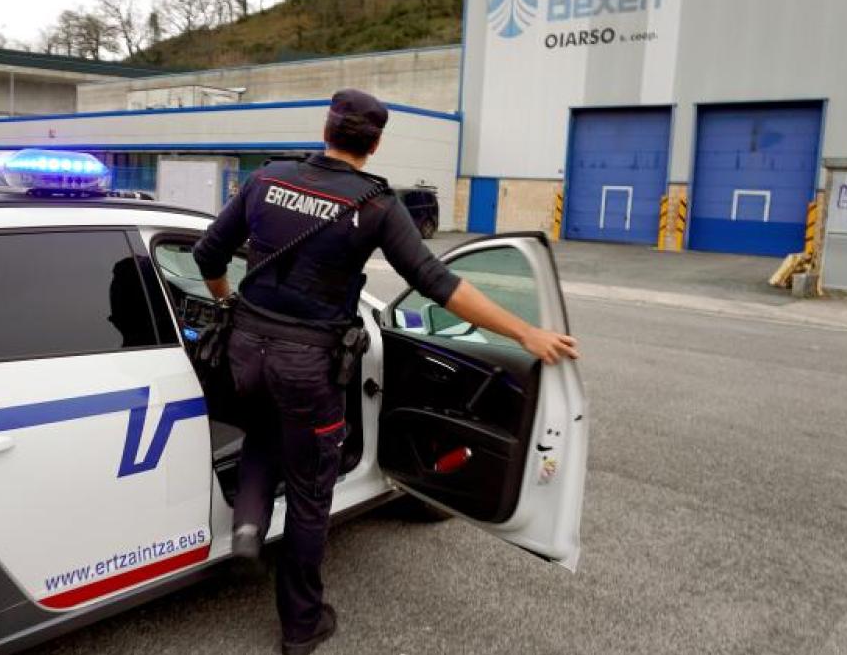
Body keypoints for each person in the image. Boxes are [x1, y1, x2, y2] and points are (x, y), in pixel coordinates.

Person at [192, 89, 579, 655]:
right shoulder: (374, 205)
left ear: (326, 130)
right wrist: (525, 333)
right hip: (308, 368)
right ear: (374, 145)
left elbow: (207, 255)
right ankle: (301, 625)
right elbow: (439, 284)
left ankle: (247, 530)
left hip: (246, 352)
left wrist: (228, 302)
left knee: (262, 431)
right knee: (309, 494)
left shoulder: (266, 179)